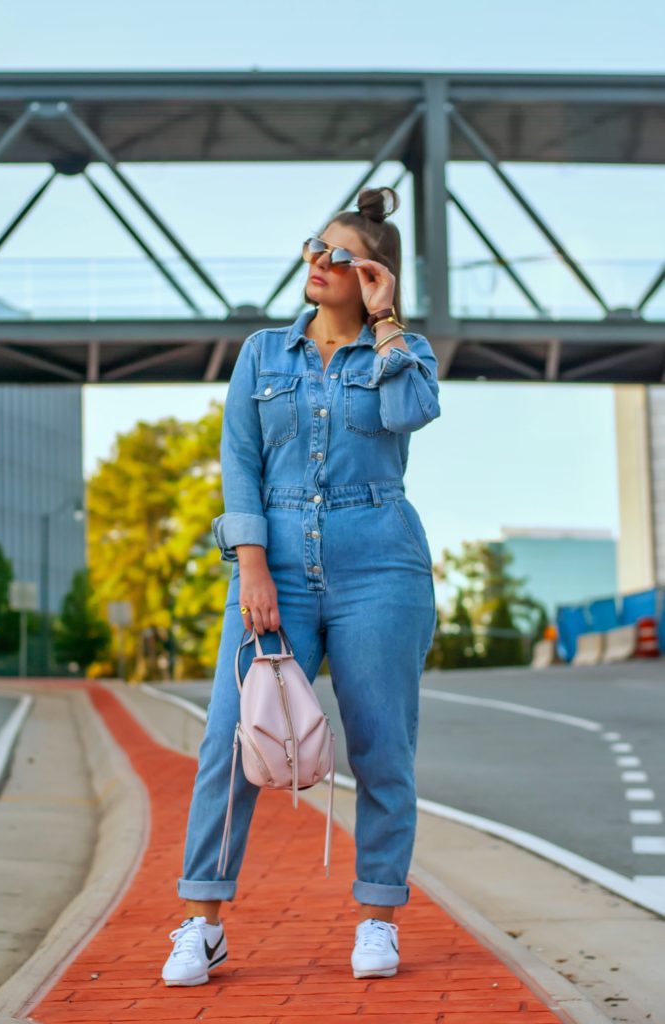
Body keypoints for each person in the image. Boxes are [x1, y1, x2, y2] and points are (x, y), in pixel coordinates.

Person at [161, 185, 441, 987]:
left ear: (374, 277)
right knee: (231, 740)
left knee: (384, 746)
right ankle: (202, 922)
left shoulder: (403, 354)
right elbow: (239, 461)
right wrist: (250, 562)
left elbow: (413, 412)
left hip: (380, 562)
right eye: (314, 248)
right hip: (274, 560)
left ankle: (378, 916)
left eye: (339, 256)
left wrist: (388, 324)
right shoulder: (261, 354)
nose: (317, 263)